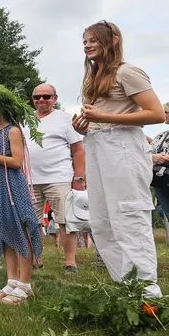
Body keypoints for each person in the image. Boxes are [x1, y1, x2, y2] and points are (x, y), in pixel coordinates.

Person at [72, 21, 164, 298]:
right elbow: (100, 117)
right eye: (85, 40)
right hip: (98, 146)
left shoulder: (127, 71)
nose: (87, 45)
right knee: (102, 221)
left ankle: (147, 294)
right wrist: (85, 126)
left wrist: (103, 118)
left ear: (111, 41)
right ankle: (127, 287)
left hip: (123, 147)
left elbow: (156, 113)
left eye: (93, 40)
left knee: (129, 216)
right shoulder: (94, 77)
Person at [0, 102, 43, 305]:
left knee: (20, 229)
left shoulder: (13, 131)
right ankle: (12, 280)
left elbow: (16, 162)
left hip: (12, 184)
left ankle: (25, 284)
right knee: (5, 231)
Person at [25, 83, 86, 274]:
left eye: (46, 96)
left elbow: (78, 150)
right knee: (31, 222)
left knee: (65, 221)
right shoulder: (24, 120)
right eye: (37, 97)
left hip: (59, 177)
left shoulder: (65, 119)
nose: (41, 100)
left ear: (55, 99)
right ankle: (35, 260)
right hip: (29, 179)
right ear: (32, 99)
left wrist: (79, 176)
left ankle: (70, 262)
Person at [149, 101, 169, 228]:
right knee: (166, 211)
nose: (164, 115)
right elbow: (149, 150)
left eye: (166, 112)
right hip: (161, 179)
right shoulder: (162, 135)